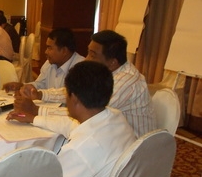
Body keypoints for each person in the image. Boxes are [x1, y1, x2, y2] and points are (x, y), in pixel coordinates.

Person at [7, 61, 136, 177]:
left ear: (73, 98)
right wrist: (33, 118)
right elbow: (69, 125)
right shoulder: (114, 117)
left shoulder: (81, 148)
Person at [12, 30, 156, 137]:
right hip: (110, 136)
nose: (86, 59)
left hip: (128, 152)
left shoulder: (125, 82)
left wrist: (37, 111)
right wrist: (40, 94)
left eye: (92, 55)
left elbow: (88, 112)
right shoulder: (107, 73)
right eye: (88, 52)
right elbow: (76, 93)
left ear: (112, 62)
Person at [4, 28, 85, 92]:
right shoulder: (50, 63)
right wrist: (21, 86)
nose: (46, 52)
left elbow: (67, 96)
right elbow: (40, 84)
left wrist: (41, 95)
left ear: (64, 51)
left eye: (50, 48)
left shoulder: (81, 68)